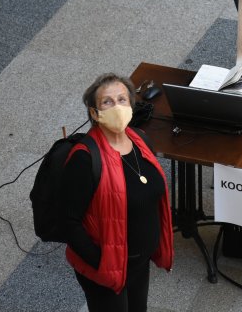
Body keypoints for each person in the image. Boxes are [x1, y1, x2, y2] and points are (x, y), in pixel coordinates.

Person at [61, 73, 173, 311]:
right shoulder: (85, 158)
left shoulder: (141, 140)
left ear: (132, 105)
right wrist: (102, 263)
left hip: (139, 262)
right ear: (94, 113)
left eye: (122, 99)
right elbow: (68, 222)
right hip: (107, 268)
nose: (117, 107)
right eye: (107, 102)